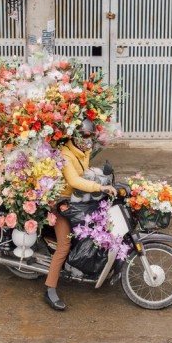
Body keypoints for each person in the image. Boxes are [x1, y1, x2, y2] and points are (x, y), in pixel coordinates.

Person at [44, 118, 117, 311]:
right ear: (75, 136)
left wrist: (101, 177)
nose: (87, 140)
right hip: (62, 203)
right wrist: (99, 186)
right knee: (64, 244)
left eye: (90, 136)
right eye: (84, 136)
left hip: (78, 201)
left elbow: (84, 173)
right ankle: (50, 289)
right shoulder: (65, 155)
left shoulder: (84, 150)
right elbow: (74, 180)